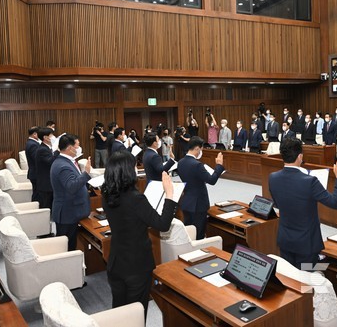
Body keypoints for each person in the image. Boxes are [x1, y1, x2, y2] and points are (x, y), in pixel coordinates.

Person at [102, 151, 176, 315]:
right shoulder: (136, 199)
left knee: (120, 313)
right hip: (136, 266)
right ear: (128, 170)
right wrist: (169, 195)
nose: (137, 169)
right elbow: (163, 224)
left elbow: (129, 220)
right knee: (137, 314)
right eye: (135, 166)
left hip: (115, 262)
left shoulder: (107, 194)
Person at [269, 138, 337, 269]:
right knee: (306, 282)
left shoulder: (272, 177)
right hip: (306, 244)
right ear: (300, 156)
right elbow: (335, 203)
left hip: (285, 240)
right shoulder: (310, 181)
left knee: (290, 280)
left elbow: (277, 204)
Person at [177, 136, 224, 240]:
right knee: (199, 235)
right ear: (197, 148)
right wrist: (219, 166)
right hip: (198, 204)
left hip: (187, 202)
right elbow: (212, 180)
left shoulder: (180, 163)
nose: (201, 153)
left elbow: (191, 179)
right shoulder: (197, 165)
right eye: (201, 150)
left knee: (189, 234)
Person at [51, 134, 92, 251]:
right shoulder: (63, 165)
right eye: (77, 145)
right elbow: (72, 186)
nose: (79, 148)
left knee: (72, 245)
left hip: (71, 210)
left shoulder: (66, 161)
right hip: (67, 213)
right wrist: (86, 174)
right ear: (70, 148)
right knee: (67, 249)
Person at [34, 128, 57, 210]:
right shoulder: (42, 149)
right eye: (51, 135)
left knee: (50, 203)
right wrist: (58, 150)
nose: (53, 137)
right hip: (45, 182)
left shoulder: (47, 148)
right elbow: (51, 161)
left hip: (48, 181)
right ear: (45, 137)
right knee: (46, 206)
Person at [25, 126, 40, 201]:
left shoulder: (31, 143)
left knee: (37, 193)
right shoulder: (33, 144)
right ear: (35, 134)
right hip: (36, 173)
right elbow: (37, 159)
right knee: (37, 194)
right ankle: (36, 209)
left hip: (34, 173)